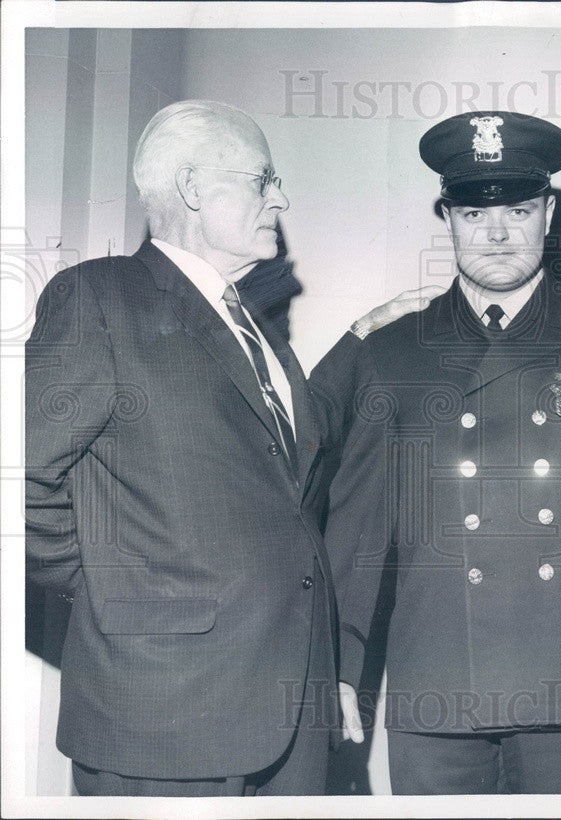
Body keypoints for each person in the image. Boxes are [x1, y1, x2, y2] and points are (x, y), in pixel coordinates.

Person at [25, 99, 436, 796]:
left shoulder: (254, 327)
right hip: (164, 720)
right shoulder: (99, 298)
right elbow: (16, 475)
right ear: (192, 188)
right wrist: (113, 587)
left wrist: (360, 339)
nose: (282, 197)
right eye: (262, 179)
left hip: (290, 720)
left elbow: (276, 454)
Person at [310, 111, 561, 794]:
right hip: (439, 679)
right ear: (448, 218)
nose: (497, 233)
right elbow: (357, 529)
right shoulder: (394, 351)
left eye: (519, 210)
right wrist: (339, 665)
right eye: (473, 212)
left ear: (548, 214)